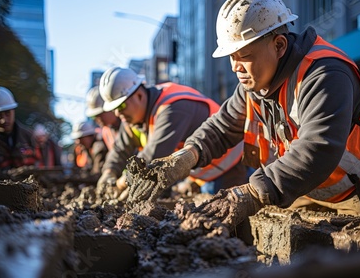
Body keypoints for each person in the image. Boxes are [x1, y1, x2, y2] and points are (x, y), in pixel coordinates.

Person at [128, 0, 360, 231]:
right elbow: (222, 127)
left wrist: (253, 192)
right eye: (231, 57)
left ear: (279, 45)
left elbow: (318, 148)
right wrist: (185, 157)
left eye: (243, 56)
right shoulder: (254, 85)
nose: (235, 67)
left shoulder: (325, 74)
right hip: (305, 192)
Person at [96, 66, 248, 197]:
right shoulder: (131, 119)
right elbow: (119, 150)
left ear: (139, 95)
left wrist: (122, 184)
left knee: (228, 223)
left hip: (232, 166)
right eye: (114, 109)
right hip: (204, 172)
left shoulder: (173, 107)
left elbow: (153, 156)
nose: (117, 114)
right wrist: (109, 172)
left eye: (121, 106)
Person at [85, 86, 121, 151]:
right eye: (94, 116)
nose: (96, 119)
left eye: (99, 115)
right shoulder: (106, 131)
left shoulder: (129, 123)